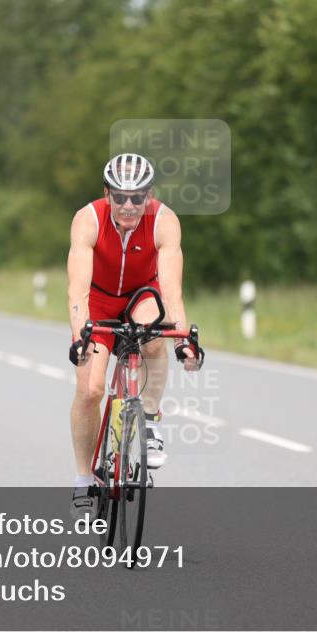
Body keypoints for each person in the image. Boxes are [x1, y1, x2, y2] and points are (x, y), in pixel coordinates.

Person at [67, 153, 203, 518]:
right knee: (91, 390)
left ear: (149, 195)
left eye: (138, 197)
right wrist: (80, 337)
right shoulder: (87, 219)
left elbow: (172, 290)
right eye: (121, 196)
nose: (129, 206)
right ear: (107, 193)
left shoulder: (165, 221)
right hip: (98, 299)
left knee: (154, 334)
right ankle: (83, 477)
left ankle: (150, 420)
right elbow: (77, 290)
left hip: (142, 294)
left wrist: (183, 341)